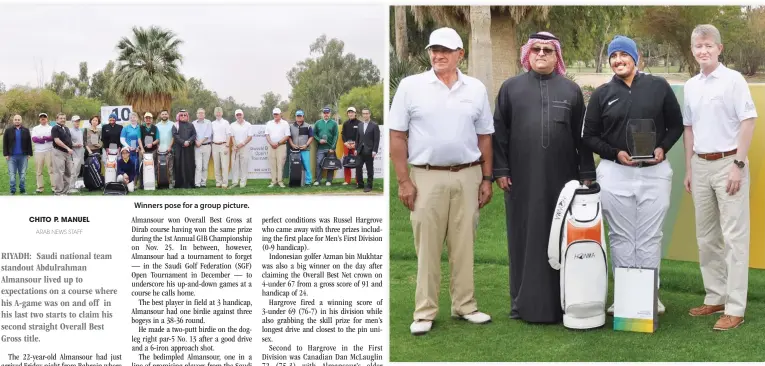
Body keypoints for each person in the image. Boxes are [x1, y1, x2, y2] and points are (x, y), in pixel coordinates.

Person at [389, 27, 495, 335]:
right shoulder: (411, 86)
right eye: (434, 50)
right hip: (425, 176)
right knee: (428, 246)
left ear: (460, 55)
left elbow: (485, 136)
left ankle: (465, 306)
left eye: (446, 51)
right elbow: (397, 136)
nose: (438, 55)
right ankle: (425, 311)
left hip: (468, 174)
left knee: (464, 244)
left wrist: (486, 178)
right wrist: (403, 181)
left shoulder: (475, 88)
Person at [493, 32, 596, 323]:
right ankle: (522, 305)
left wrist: (586, 174)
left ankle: (563, 302)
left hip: (562, 183)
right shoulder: (510, 88)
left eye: (547, 50)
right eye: (536, 49)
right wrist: (501, 171)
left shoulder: (571, 91)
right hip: (521, 182)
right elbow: (499, 134)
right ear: (528, 53)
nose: (541, 54)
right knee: (523, 239)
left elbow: (582, 137)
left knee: (562, 238)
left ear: (556, 56)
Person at [582, 35, 684, 315]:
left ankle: (650, 296)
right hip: (615, 174)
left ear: (636, 58)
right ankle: (626, 296)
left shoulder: (658, 87)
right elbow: (588, 136)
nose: (618, 60)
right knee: (622, 237)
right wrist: (616, 153)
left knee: (650, 236)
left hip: (655, 173)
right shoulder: (602, 94)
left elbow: (675, 125)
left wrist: (663, 147)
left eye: (623, 55)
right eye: (613, 56)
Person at [682, 25, 757, 331]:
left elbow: (749, 121)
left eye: (708, 45)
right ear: (693, 50)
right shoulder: (690, 85)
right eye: (698, 46)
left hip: (729, 163)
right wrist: (689, 168)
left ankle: (735, 308)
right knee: (706, 237)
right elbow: (689, 128)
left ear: (719, 48)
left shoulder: (734, 80)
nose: (703, 51)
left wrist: (738, 164)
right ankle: (715, 296)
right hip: (700, 165)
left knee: (734, 238)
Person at [3, 114, 33, 195]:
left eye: (18, 119)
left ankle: (22, 190)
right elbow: (5, 143)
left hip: (23, 156)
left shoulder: (26, 130)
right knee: (12, 175)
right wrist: (6, 154)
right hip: (11, 157)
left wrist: (29, 153)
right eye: (15, 119)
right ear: (13, 121)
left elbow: (29, 143)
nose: (17, 121)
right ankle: (12, 190)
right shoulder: (8, 130)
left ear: (21, 120)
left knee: (22, 175)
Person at [355, 108, 379, 192]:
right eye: (363, 113)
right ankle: (360, 184)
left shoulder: (374, 125)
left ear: (369, 114)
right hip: (360, 150)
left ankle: (369, 185)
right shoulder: (360, 125)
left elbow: (376, 139)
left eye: (366, 113)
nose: (365, 115)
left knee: (369, 169)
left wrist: (374, 150)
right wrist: (356, 149)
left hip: (369, 151)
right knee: (358, 167)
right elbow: (357, 138)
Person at [265, 107, 291, 188]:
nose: (275, 115)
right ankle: (273, 181)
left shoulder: (285, 123)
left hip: (281, 146)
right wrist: (272, 143)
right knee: (272, 164)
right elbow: (267, 134)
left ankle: (280, 181)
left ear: (280, 114)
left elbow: (287, 135)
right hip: (271, 146)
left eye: (277, 114)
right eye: (274, 114)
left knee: (280, 164)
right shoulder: (269, 123)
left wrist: (278, 143)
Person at [50, 113, 74, 196]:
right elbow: (57, 140)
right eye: (61, 118)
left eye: (64, 118)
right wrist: (67, 148)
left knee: (68, 172)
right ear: (57, 119)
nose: (63, 120)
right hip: (59, 152)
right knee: (59, 172)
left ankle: (65, 191)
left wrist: (73, 145)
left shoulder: (66, 128)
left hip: (68, 153)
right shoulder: (55, 128)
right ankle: (58, 192)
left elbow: (68, 140)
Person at [313, 107, 339, 186]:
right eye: (324, 113)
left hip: (330, 148)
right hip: (320, 148)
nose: (326, 114)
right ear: (322, 114)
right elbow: (314, 134)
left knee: (330, 164)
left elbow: (336, 135)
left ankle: (329, 180)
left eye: (327, 113)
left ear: (330, 114)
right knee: (318, 163)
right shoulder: (318, 123)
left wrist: (333, 147)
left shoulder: (334, 123)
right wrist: (319, 140)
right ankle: (318, 180)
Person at [288, 110, 314, 186]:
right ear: (295, 117)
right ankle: (293, 181)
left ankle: (308, 182)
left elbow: (311, 137)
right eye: (297, 116)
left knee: (307, 166)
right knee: (293, 167)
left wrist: (306, 145)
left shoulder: (308, 126)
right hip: (294, 150)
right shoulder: (291, 126)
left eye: (300, 116)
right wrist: (292, 144)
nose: (299, 117)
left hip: (305, 150)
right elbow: (289, 137)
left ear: (303, 117)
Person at [172, 109, 196, 189]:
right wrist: (183, 142)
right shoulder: (176, 125)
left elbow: (194, 135)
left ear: (187, 116)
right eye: (181, 115)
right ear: (178, 116)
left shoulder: (191, 125)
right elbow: (175, 135)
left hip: (189, 149)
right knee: (179, 165)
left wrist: (188, 142)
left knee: (189, 165)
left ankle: (189, 184)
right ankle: (179, 184)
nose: (183, 116)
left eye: (185, 115)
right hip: (179, 149)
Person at [31, 112, 55, 193]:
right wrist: (44, 139)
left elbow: (53, 137)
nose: (43, 118)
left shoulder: (51, 128)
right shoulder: (35, 128)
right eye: (41, 117)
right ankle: (40, 188)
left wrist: (44, 138)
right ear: (39, 119)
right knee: (39, 171)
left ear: (47, 119)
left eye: (44, 117)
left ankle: (54, 187)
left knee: (51, 170)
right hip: (38, 152)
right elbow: (34, 139)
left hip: (49, 151)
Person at [230, 109, 253, 188]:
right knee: (235, 166)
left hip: (245, 147)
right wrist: (235, 145)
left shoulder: (248, 124)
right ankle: (235, 182)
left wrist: (242, 144)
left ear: (243, 115)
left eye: (240, 114)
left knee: (244, 165)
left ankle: (243, 182)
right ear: (235, 116)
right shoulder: (232, 125)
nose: (239, 116)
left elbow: (250, 137)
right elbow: (232, 136)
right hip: (235, 148)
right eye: (237, 115)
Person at [210, 107, 232, 188]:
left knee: (224, 165)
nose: (218, 113)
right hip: (215, 145)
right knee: (216, 165)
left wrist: (227, 146)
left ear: (222, 113)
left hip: (223, 145)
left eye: (219, 112)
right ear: (214, 113)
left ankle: (225, 182)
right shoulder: (212, 123)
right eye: (216, 112)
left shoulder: (225, 122)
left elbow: (228, 135)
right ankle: (218, 182)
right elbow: (211, 136)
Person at [192, 108, 212, 188]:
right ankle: (197, 183)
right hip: (197, 147)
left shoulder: (208, 122)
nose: (200, 114)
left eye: (202, 113)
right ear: (197, 114)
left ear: (204, 114)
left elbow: (208, 134)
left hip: (206, 146)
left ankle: (203, 183)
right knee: (198, 166)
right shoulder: (193, 123)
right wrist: (196, 141)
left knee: (205, 166)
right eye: (199, 113)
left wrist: (200, 142)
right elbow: (192, 134)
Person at [155, 110, 175, 187]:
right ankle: (159, 183)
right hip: (159, 150)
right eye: (162, 114)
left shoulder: (173, 124)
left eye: (165, 114)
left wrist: (170, 146)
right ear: (160, 115)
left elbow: (174, 137)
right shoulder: (157, 125)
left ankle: (170, 183)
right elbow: (156, 138)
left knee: (170, 168)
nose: (164, 115)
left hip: (169, 149)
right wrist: (157, 146)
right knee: (159, 167)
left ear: (168, 115)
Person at [341, 107, 361, 186]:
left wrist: (355, 144)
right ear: (347, 114)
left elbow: (361, 135)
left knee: (358, 163)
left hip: (356, 145)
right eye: (349, 112)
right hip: (346, 145)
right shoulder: (345, 123)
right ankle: (347, 180)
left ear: (355, 113)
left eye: (352, 112)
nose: (351, 114)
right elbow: (343, 134)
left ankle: (358, 180)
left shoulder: (360, 123)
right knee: (346, 162)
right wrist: (345, 143)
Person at [101, 113, 123, 179]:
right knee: (107, 164)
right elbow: (103, 138)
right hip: (107, 149)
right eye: (110, 118)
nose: (112, 119)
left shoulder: (120, 127)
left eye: (113, 118)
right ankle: (108, 179)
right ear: (108, 119)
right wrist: (106, 148)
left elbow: (121, 138)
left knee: (117, 164)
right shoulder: (104, 127)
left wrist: (119, 147)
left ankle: (116, 178)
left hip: (117, 149)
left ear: (115, 119)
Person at [141, 112, 160, 188]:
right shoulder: (141, 127)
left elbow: (158, 139)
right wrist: (142, 149)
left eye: (149, 118)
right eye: (146, 118)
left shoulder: (155, 128)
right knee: (143, 167)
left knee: (153, 167)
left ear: (152, 119)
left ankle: (153, 183)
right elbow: (139, 139)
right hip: (143, 151)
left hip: (153, 150)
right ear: (144, 119)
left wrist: (152, 144)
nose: (148, 119)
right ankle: (142, 184)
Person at [67, 115, 85, 194]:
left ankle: (73, 186)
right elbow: (68, 142)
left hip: (80, 153)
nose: (77, 122)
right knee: (73, 172)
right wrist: (75, 145)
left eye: (78, 121)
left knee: (77, 171)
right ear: (72, 122)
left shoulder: (80, 131)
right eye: (75, 121)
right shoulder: (70, 131)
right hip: (74, 154)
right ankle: (70, 187)